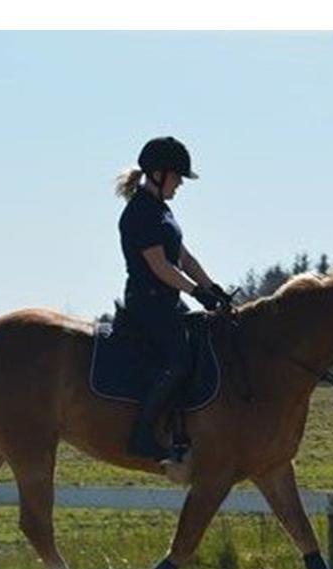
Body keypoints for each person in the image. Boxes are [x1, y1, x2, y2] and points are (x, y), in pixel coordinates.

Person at [115, 136, 232, 462]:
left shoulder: (161, 211)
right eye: (177, 176)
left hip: (166, 301)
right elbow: (159, 265)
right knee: (178, 360)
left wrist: (212, 287)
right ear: (157, 174)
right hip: (147, 303)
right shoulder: (140, 213)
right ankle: (143, 434)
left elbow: (183, 257)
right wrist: (196, 293)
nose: (180, 183)